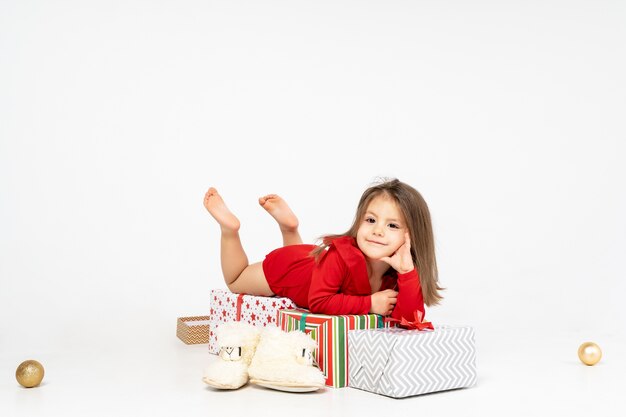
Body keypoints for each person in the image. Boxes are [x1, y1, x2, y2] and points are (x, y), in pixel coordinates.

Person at [203, 178, 443, 321]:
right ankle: (229, 229)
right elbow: (318, 302)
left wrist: (408, 273)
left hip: (311, 265)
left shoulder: (397, 271)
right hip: (288, 269)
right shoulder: (341, 256)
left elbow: (409, 321)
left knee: (306, 270)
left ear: (411, 235)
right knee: (235, 279)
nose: (378, 231)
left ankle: (289, 228)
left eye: (392, 225)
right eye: (370, 220)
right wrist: (369, 304)